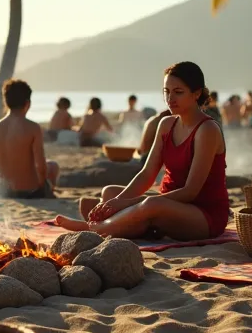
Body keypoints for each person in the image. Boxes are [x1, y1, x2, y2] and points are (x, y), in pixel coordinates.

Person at [56, 62, 229, 241]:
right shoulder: (166, 124)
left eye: (178, 92)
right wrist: (117, 202)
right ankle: (137, 225)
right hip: (167, 203)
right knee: (109, 192)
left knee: (151, 203)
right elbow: (147, 174)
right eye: (166, 91)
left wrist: (130, 203)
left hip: (203, 214)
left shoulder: (207, 129)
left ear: (197, 93)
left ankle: (95, 228)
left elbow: (190, 192)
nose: (170, 98)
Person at [0, 80, 59, 199]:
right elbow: (41, 166)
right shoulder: (33, 128)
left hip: (4, 192)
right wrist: (42, 187)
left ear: (5, 102)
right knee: (53, 165)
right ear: (28, 103)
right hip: (30, 191)